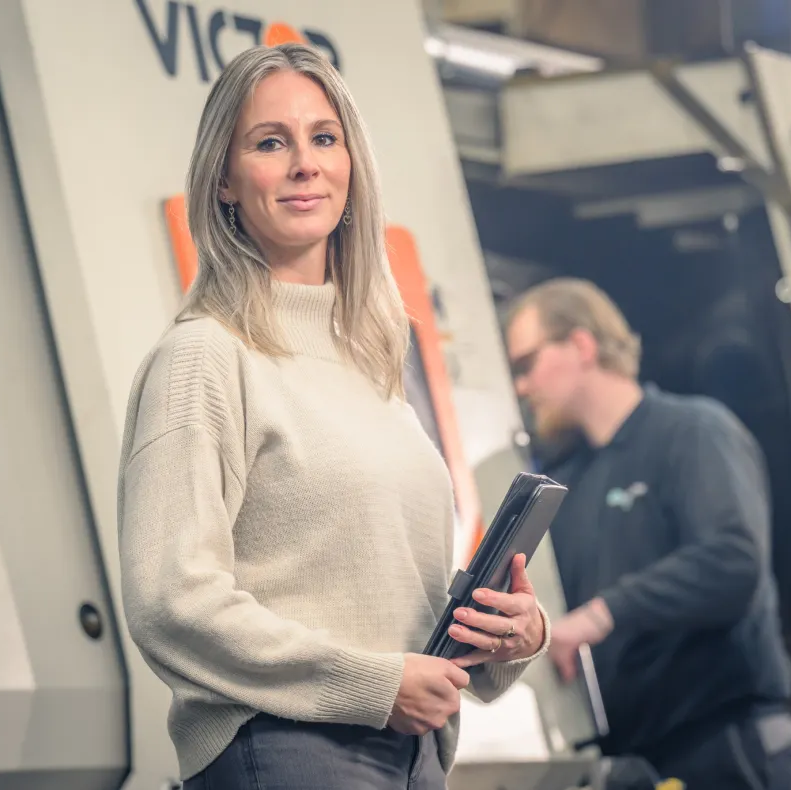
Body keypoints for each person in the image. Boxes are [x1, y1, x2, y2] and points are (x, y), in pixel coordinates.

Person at [116, 43, 550, 790]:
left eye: (323, 138)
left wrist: (507, 635)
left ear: (352, 166)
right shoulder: (204, 356)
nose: (303, 165)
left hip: (410, 754)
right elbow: (170, 600)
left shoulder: (369, 361)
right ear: (223, 181)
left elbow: (386, 588)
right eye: (269, 143)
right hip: (288, 748)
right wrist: (373, 685)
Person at [503, 278, 791, 790]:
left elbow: (732, 561)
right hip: (639, 764)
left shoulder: (693, 431)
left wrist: (600, 615)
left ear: (581, 345)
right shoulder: (570, 481)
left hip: (724, 746)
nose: (522, 386)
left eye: (527, 363)